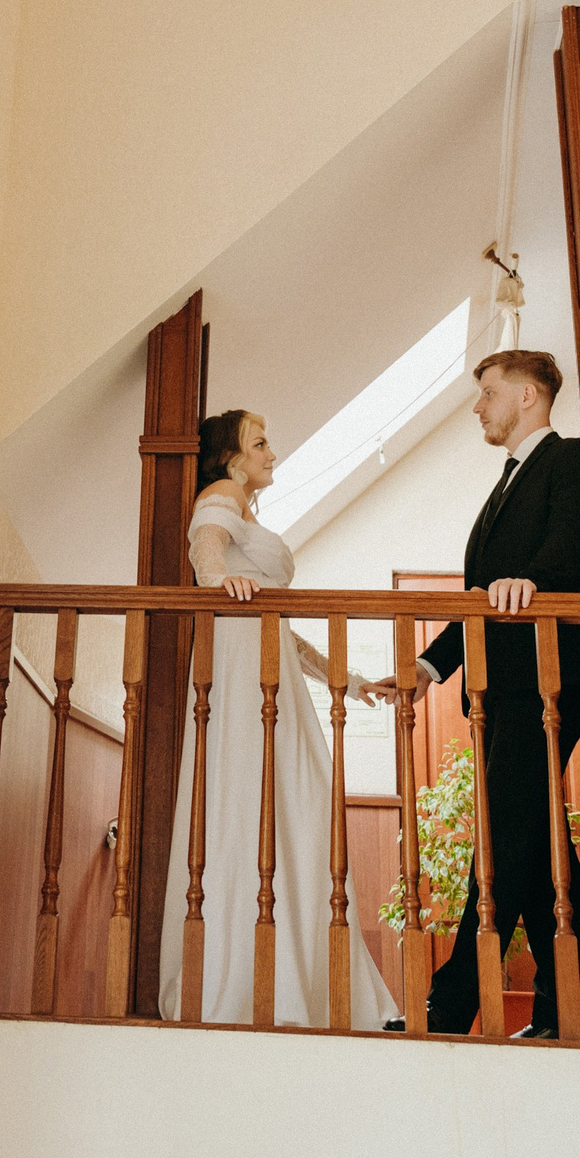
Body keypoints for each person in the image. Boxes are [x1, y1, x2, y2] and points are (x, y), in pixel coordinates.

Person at [371, 349, 580, 1038]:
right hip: (501, 684)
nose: (478, 406)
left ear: (530, 396)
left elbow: (570, 546)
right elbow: (483, 597)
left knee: (505, 838)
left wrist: (531, 582)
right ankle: (570, 1015)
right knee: (534, 842)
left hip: (548, 680)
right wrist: (427, 666)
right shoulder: (505, 484)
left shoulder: (574, 460)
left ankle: (451, 1004)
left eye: (488, 392)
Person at [156, 407, 400, 1029]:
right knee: (248, 798)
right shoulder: (222, 495)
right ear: (231, 457)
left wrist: (347, 679)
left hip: (271, 660)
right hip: (238, 667)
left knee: (291, 804)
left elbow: (286, 633)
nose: (272, 453)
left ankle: (295, 978)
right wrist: (220, 584)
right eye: (259, 442)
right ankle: (239, 983)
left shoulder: (249, 511)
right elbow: (205, 550)